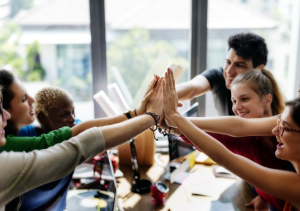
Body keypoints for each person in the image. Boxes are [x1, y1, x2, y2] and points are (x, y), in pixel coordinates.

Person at [0, 69, 160, 209]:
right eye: (23, 99)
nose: (32, 101)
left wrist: (139, 114)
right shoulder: (7, 147)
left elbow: (84, 127)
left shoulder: (29, 131)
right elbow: (81, 135)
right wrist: (142, 115)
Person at [162, 68, 300, 211]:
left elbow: (229, 148)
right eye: (233, 101)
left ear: (267, 100)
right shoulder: (258, 138)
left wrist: (175, 119)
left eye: (244, 99)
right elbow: (211, 138)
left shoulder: (294, 181)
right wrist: (171, 124)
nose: (276, 130)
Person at [16, 87, 81, 211]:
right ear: (43, 118)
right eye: (65, 114)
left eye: (73, 112)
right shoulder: (23, 136)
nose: (72, 119)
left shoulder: (76, 128)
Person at [176, 31, 268, 116]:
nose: (229, 71)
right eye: (228, 62)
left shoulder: (269, 99)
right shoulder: (221, 76)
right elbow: (193, 87)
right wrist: (165, 94)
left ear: (259, 69)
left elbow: (239, 126)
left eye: (240, 65)